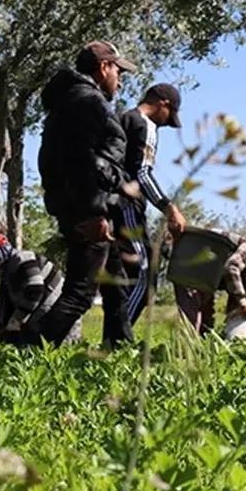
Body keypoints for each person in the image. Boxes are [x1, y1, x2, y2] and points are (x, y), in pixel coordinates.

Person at [35, 40, 135, 346]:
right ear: (104, 67)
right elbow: (79, 161)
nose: (120, 78)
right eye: (118, 70)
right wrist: (94, 212)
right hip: (87, 208)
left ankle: (119, 347)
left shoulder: (73, 101)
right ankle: (24, 354)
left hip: (87, 203)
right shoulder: (84, 101)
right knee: (80, 293)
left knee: (116, 284)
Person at [104, 83, 189, 345]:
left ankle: (114, 338)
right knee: (145, 271)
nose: (166, 123)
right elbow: (142, 174)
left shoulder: (122, 119)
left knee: (119, 278)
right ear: (163, 104)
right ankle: (118, 341)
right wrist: (169, 208)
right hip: (127, 205)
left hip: (108, 204)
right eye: (169, 116)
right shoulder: (145, 125)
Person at [172, 230, 246, 336]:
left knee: (206, 315)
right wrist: (242, 300)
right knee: (192, 315)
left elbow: (233, 297)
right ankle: (184, 355)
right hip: (191, 256)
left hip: (204, 271)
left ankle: (202, 349)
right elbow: (231, 267)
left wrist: (236, 317)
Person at [0, 233, 77, 343]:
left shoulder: (23, 258)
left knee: (59, 352)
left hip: (59, 312)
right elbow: (7, 307)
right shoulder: (8, 274)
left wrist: (16, 320)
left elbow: (35, 289)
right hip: (48, 314)